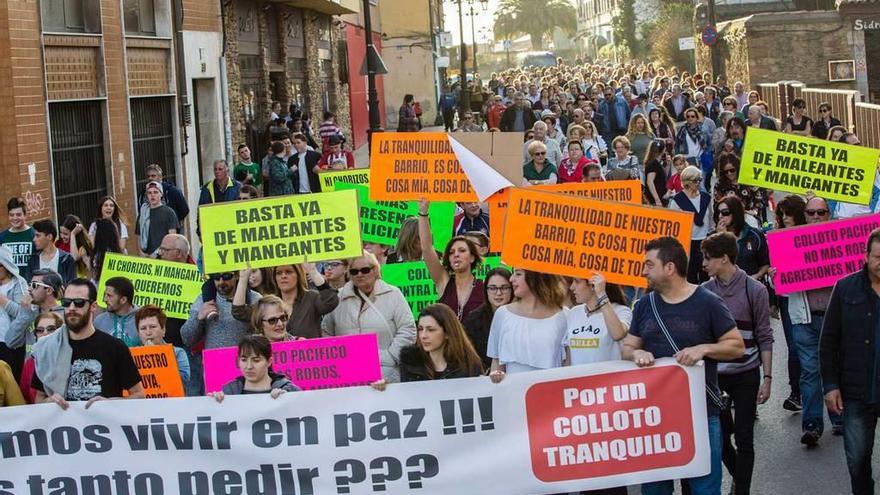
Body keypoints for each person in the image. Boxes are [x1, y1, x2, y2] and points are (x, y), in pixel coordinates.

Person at [621, 237, 744, 495]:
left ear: (669, 268)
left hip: (701, 413)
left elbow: (736, 345)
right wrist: (637, 353)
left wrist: (705, 348)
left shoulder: (708, 302)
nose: (643, 271)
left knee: (705, 489)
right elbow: (628, 348)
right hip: (655, 419)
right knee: (655, 489)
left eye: (649, 264)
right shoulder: (644, 305)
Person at [701, 232, 773, 495]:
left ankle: (741, 489)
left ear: (724, 258)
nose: (704, 264)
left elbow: (764, 336)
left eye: (708, 258)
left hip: (746, 374)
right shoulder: (705, 292)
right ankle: (737, 475)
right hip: (715, 377)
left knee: (745, 438)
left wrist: (767, 378)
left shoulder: (755, 290)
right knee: (719, 439)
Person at [820, 228, 880, 495]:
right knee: (857, 461)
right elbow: (828, 341)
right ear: (865, 256)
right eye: (878, 257)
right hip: (857, 391)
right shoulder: (845, 288)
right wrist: (831, 386)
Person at [32, 278, 145, 408]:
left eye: (79, 303)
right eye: (67, 302)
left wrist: (111, 403)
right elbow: (39, 398)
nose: (72, 308)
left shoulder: (115, 347)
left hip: (104, 425)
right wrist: (49, 402)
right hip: (63, 426)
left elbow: (139, 395)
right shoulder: (48, 347)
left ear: (93, 306)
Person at [785, 195, 839, 445]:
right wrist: (780, 275)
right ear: (804, 215)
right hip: (804, 319)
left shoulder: (841, 240)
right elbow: (782, 290)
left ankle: (839, 417)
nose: (816, 217)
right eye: (811, 213)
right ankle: (812, 425)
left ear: (829, 214)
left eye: (821, 213)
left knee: (837, 368)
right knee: (809, 372)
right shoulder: (787, 243)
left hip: (835, 320)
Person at [322, 251, 416, 382]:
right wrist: (339, 360)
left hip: (385, 375)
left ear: (375, 270)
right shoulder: (338, 297)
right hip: (348, 375)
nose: (359, 274)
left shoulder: (393, 294)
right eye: (354, 271)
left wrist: (390, 357)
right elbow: (326, 332)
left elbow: (408, 329)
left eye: (365, 270)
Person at [487, 269, 567, 382]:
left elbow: (568, 366)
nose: (511, 279)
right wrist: (495, 377)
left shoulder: (564, 316)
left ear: (536, 277)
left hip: (550, 394)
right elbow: (496, 360)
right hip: (512, 394)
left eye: (518, 274)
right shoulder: (503, 314)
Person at [418, 200, 485, 321]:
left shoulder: (484, 287)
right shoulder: (443, 281)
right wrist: (423, 213)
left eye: (462, 251)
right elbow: (427, 248)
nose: (456, 255)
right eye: (451, 252)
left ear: (472, 257)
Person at [233, 263, 338, 339]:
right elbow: (239, 312)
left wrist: (313, 271)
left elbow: (331, 301)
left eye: (288, 272)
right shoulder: (269, 302)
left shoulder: (311, 297)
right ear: (275, 278)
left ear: (298, 275)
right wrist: (243, 279)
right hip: (277, 365)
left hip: (308, 364)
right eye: (279, 273)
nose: (283, 276)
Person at [773, 195, 805, 413]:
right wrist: (772, 275)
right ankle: (796, 391)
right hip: (786, 298)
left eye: (789, 214)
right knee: (794, 347)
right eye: (782, 214)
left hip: (809, 297)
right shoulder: (776, 238)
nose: (785, 218)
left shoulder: (809, 235)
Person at [398, 304, 484, 382]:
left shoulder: (469, 363)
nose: (423, 336)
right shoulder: (410, 362)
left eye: (431, 330)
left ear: (447, 332)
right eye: (420, 329)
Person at [563, 272, 631, 366]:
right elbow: (569, 358)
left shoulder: (621, 311)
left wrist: (601, 294)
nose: (572, 287)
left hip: (607, 379)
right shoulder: (573, 313)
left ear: (593, 285)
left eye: (577, 282)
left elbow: (618, 334)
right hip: (579, 380)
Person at [210, 334, 299, 401]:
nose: (249, 366)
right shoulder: (229, 391)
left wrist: (288, 400)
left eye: (256, 360)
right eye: (244, 360)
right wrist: (214, 404)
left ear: (269, 362)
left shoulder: (288, 389)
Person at [669, 166, 714, 284]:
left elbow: (710, 219)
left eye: (700, 180)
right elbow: (674, 226)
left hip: (704, 241)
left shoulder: (706, 197)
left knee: (706, 277)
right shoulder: (677, 200)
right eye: (695, 181)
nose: (698, 183)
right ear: (687, 182)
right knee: (690, 277)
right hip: (687, 244)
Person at [463, 267, 512, 369]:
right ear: (486, 290)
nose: (498, 293)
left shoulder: (521, 316)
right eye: (493, 288)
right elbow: (469, 356)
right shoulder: (474, 319)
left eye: (504, 288)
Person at [714, 196, 770, 279]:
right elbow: (711, 265)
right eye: (718, 212)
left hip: (750, 286)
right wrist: (721, 238)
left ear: (735, 212)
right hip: (724, 287)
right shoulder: (713, 237)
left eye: (725, 212)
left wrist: (756, 276)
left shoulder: (755, 235)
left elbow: (765, 263)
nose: (720, 216)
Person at [135, 305, 190, 387]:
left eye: (153, 327)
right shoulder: (133, 356)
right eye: (143, 328)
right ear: (138, 333)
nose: (148, 332)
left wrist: (156, 356)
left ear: (163, 329)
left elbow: (184, 381)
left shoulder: (178, 353)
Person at [19, 311, 61, 403]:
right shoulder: (30, 363)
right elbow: (24, 398)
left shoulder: (70, 358)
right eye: (40, 330)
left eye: (51, 329)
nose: (45, 333)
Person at [0, 246, 29, 377]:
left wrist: (2, 300)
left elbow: (22, 313)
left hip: (10, 343)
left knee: (11, 379)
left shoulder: (18, 283)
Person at [136, 181, 179, 256]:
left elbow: (172, 236)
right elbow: (138, 235)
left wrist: (160, 252)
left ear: (161, 194)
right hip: (146, 256)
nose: (152, 195)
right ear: (146, 196)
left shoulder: (169, 212)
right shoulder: (143, 213)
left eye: (155, 192)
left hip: (163, 255)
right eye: (149, 193)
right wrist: (141, 252)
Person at [94, 276, 139, 347]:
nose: (105, 299)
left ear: (123, 300)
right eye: (105, 294)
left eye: (109, 295)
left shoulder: (143, 320)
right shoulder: (99, 321)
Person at [0, 197, 34, 274]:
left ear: (25, 215)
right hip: (9, 284)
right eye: (12, 215)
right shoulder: (2, 237)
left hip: (29, 284)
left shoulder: (34, 235)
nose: (15, 218)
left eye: (18, 215)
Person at [643, 140, 669, 207]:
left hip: (661, 197)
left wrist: (668, 165)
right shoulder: (653, 163)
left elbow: (663, 177)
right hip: (655, 201)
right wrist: (657, 200)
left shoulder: (657, 163)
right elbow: (650, 181)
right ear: (663, 149)